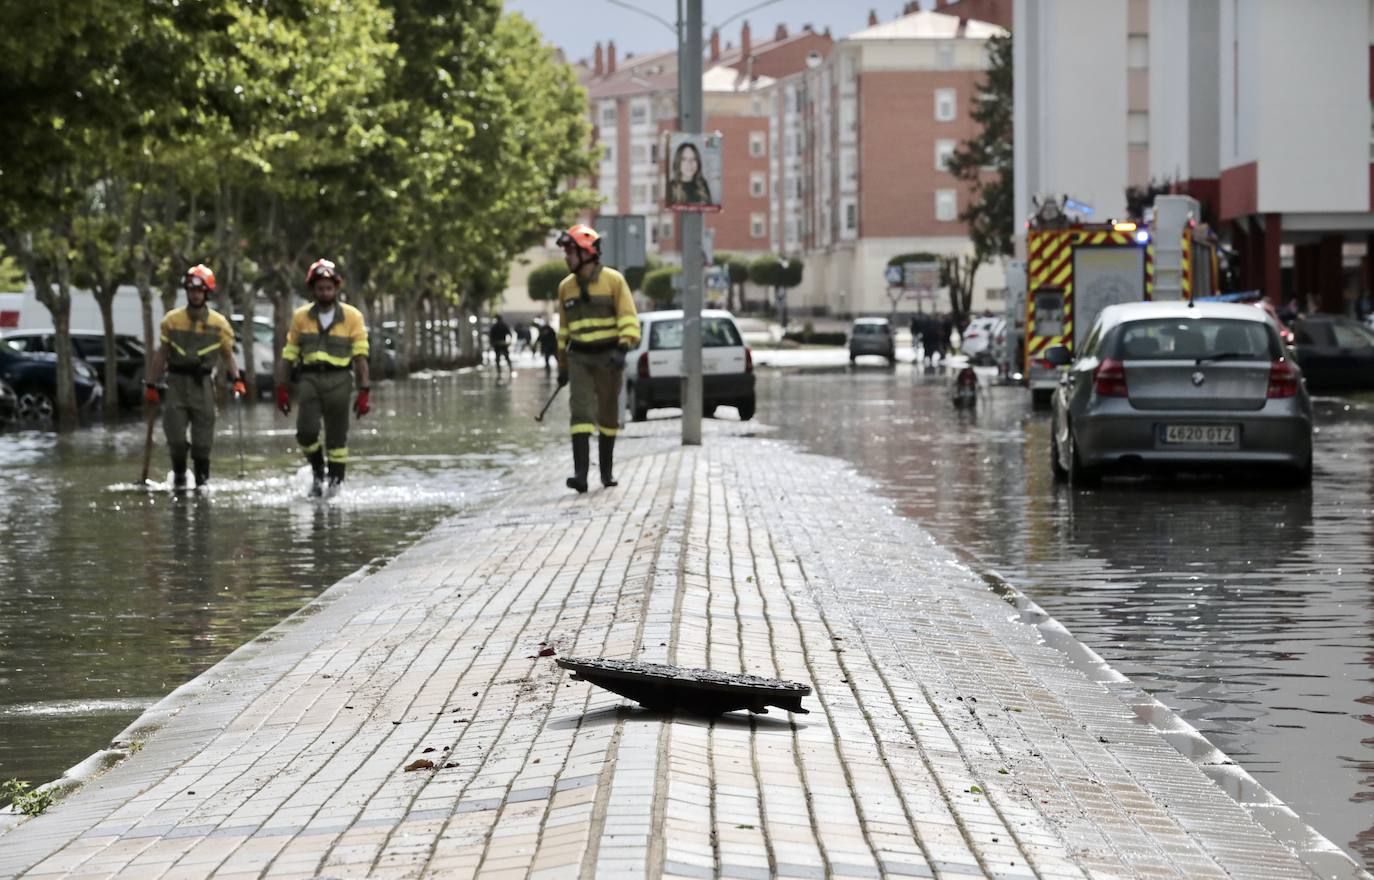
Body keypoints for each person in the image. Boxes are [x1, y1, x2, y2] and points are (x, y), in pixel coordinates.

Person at [554, 223, 640, 492]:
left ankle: (606, 473)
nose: (566, 258)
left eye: (570, 252)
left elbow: (628, 317)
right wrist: (563, 365)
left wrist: (622, 348)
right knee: (580, 412)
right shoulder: (565, 288)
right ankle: (581, 474)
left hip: (608, 356)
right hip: (579, 357)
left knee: (608, 413)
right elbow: (564, 330)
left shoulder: (614, 281)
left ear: (586, 253)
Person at [144, 264, 245, 492]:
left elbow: (227, 355)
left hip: (203, 386)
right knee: (176, 439)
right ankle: (179, 477)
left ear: (206, 293)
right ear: (187, 291)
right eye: (191, 290)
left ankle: (202, 484)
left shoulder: (219, 325)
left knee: (202, 443)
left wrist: (237, 378)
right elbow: (162, 354)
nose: (195, 294)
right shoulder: (172, 321)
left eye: (199, 291)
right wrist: (151, 382)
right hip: (176, 384)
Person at [276, 259, 370, 497]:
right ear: (313, 289)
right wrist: (281, 386)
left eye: (329, 288)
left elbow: (360, 356)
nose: (325, 293)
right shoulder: (301, 317)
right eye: (320, 288)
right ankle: (318, 470)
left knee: (337, 439)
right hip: (309, 379)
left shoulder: (352, 317)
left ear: (336, 288)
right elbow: (289, 354)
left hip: (340, 381)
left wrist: (364, 390)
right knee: (306, 432)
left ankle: (335, 487)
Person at [667, 141, 713, 207]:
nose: (689, 163)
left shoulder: (703, 185)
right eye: (684, 159)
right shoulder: (670, 188)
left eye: (693, 159)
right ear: (678, 162)